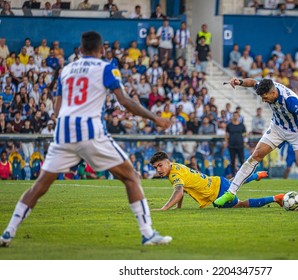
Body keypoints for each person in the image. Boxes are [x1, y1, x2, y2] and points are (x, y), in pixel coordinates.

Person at [0, 31, 172, 247]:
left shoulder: (67, 69)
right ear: (101, 50)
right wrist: (156, 118)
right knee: (131, 177)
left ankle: (7, 233)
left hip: (63, 133)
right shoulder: (106, 67)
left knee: (38, 187)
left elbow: (56, 108)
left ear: (80, 50)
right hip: (90, 131)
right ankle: (147, 233)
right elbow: (125, 101)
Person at [214, 78, 298, 211]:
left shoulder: (290, 101)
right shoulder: (266, 86)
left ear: (273, 93)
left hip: (296, 131)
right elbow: (253, 82)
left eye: (265, 97)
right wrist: (240, 82)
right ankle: (231, 192)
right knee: (256, 156)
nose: (263, 100)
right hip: (277, 128)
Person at [150, 151, 282, 210]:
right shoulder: (176, 166)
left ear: (167, 162)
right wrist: (178, 207)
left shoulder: (174, 175)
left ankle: (276, 198)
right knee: (232, 183)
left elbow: (178, 192)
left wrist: (164, 208)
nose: (158, 170)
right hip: (217, 181)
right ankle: (256, 176)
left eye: (160, 165)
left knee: (241, 205)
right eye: (156, 168)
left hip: (217, 193)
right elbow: (182, 189)